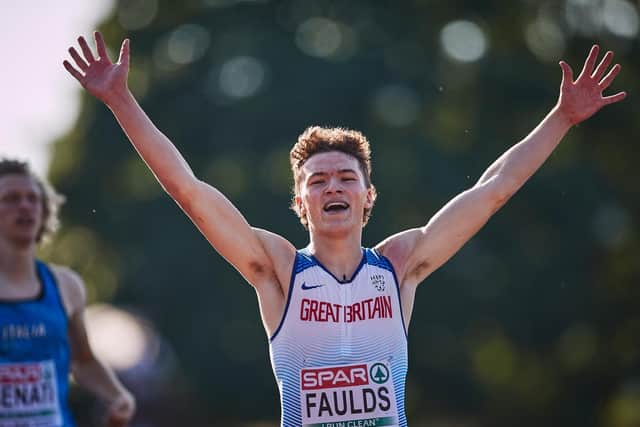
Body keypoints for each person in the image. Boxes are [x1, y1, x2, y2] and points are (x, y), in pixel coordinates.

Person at [63, 31, 625, 427]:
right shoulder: (278, 269)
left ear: (367, 196)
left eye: (345, 178)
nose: (332, 186)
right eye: (318, 180)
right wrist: (120, 101)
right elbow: (188, 189)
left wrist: (561, 118)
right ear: (300, 203)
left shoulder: (400, 263)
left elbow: (494, 189)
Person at [0, 159, 136, 427]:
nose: (25, 206)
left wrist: (117, 395)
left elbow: (83, 361)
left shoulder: (65, 286)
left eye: (33, 199)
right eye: (11, 198)